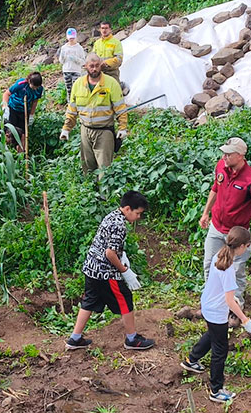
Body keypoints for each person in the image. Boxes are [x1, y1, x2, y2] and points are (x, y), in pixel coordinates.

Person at [180, 226, 251, 403]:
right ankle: (216, 390)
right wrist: (245, 319)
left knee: (212, 335)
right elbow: (230, 301)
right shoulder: (229, 269)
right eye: (247, 246)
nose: (247, 249)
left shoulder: (221, 254)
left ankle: (191, 360)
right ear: (241, 246)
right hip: (217, 311)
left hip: (208, 306)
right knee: (220, 351)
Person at [65, 191, 155, 351]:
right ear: (127, 209)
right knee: (125, 299)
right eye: (138, 213)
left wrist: (123, 255)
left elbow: (109, 245)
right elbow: (110, 253)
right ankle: (132, 339)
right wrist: (124, 270)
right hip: (105, 272)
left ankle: (75, 338)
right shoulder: (120, 225)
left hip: (91, 268)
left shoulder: (112, 216)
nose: (138, 217)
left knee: (89, 300)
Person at [198, 137, 251, 310]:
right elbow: (215, 189)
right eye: (223, 153)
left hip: (237, 233)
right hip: (216, 226)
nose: (224, 157)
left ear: (240, 156)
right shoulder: (221, 166)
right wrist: (205, 212)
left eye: (228, 154)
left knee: (236, 270)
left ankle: (235, 307)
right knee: (210, 264)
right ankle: (212, 301)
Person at [59, 54, 129, 178]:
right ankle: (90, 192)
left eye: (97, 65)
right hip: (85, 130)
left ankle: (104, 196)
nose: (94, 69)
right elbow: (72, 109)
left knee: (104, 167)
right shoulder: (78, 84)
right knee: (87, 165)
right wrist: (66, 128)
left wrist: (122, 127)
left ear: (101, 65)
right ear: (86, 66)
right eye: (91, 66)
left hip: (104, 131)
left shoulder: (111, 83)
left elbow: (120, 108)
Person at [1, 72, 44, 150]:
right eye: (33, 86)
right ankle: (8, 151)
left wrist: (31, 115)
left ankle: (21, 152)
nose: (35, 89)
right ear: (29, 81)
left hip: (24, 111)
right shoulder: (21, 84)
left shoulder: (39, 89)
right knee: (11, 130)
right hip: (13, 109)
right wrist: (5, 107)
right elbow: (6, 93)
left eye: (37, 87)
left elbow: (35, 101)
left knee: (23, 132)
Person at [58, 28, 86, 101]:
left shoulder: (79, 48)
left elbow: (83, 61)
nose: (71, 39)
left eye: (73, 38)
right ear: (67, 37)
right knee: (69, 89)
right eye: (70, 38)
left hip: (76, 71)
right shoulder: (64, 48)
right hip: (66, 70)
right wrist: (63, 57)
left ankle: (77, 103)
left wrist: (75, 59)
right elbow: (61, 61)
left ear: (76, 37)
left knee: (76, 88)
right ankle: (70, 105)